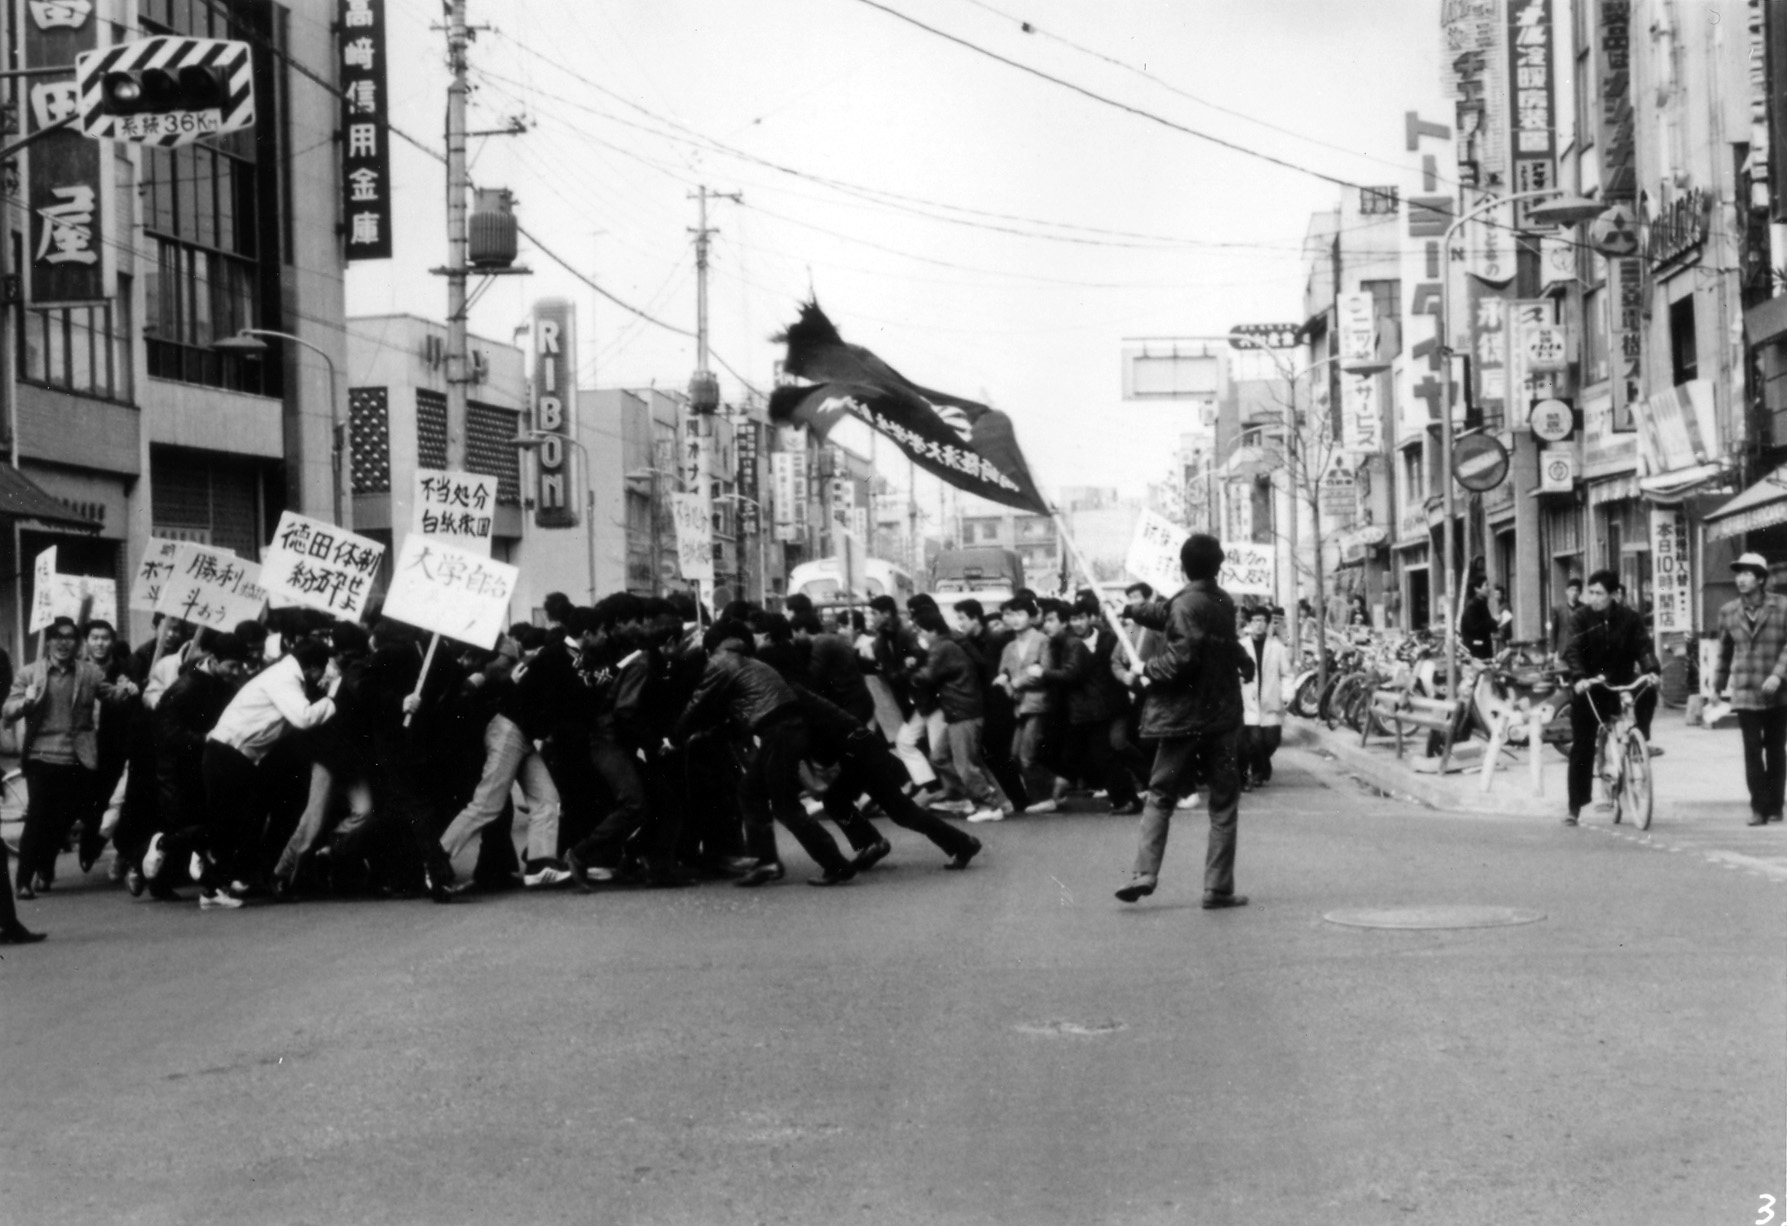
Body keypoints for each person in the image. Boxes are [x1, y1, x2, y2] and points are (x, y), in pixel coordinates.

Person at [1114, 534, 1252, 908]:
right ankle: (1217, 888)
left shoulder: (1183, 604)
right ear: (1219, 566)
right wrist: (1132, 611)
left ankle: (1145, 873)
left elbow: (1180, 657)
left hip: (1181, 718)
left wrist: (1146, 668)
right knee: (1223, 804)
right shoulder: (1222, 603)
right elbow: (1173, 617)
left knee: (1160, 796)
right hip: (1221, 716)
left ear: (1182, 566)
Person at [674, 621, 856, 887]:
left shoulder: (720, 662)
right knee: (751, 791)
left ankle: (835, 864)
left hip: (779, 732)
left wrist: (674, 736)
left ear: (711, 647)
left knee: (785, 805)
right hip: (788, 730)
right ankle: (765, 861)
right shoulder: (749, 661)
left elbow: (697, 703)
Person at [7, 617, 135, 899]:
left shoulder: (89, 673)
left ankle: (45, 869)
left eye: (69, 637)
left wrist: (126, 690)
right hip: (40, 756)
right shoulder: (30, 673)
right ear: (49, 641)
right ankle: (23, 880)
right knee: (38, 817)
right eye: (58, 636)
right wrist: (25, 701)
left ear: (77, 644)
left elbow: (112, 696)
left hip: (76, 757)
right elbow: (7, 710)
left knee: (59, 820)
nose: (63, 642)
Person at [1561, 569, 1660, 826]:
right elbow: (1573, 650)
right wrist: (1579, 678)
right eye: (1591, 592)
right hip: (1590, 686)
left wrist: (1651, 670)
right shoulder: (1581, 618)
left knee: (1648, 689)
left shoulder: (1630, 619)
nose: (1593, 598)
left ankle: (1640, 740)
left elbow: (1644, 648)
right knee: (1583, 745)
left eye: (1599, 593)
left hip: (1620, 680)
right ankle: (1575, 806)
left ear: (1614, 594)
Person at [910, 606, 1011, 822]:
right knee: (941, 758)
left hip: (962, 710)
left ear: (933, 630)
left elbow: (927, 676)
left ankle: (989, 804)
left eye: (922, 631)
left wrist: (911, 671)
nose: (921, 636)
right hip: (963, 709)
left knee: (965, 765)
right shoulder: (953, 641)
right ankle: (994, 798)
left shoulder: (942, 647)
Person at [1714, 553, 1787, 826]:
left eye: (1747, 574)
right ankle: (1758, 807)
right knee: (1752, 750)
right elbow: (1724, 652)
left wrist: (1778, 674)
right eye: (1739, 574)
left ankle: (1776, 805)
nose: (1741, 579)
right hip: (1745, 691)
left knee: (1776, 750)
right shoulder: (1728, 611)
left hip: (1778, 692)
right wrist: (1716, 687)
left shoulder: (1782, 606)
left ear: (1760, 579)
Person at [994, 596, 1062, 814]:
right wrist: (1008, 683)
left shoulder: (1042, 640)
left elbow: (1044, 672)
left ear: (1032, 618)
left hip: (1039, 702)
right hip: (1019, 704)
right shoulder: (1009, 646)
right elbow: (1004, 672)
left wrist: (1016, 682)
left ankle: (1044, 797)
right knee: (1016, 754)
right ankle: (1054, 784)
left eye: (1021, 614)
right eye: (1012, 614)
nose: (1015, 619)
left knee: (1026, 755)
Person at [1240, 605, 1293, 790]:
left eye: (1263, 621)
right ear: (1249, 623)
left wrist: (1287, 694)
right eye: (1255, 620)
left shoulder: (1277, 647)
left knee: (1271, 741)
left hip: (1271, 701)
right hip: (1249, 702)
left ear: (1268, 624)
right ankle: (1257, 772)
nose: (1259, 625)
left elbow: (1286, 674)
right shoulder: (1242, 646)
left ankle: (1262, 766)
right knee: (1254, 742)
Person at [1458, 574, 1497, 661]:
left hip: (1482, 649)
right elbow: (1475, 628)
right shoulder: (1473, 606)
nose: (1489, 588)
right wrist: (1493, 622)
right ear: (1477, 589)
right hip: (1477, 651)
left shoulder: (1481, 603)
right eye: (1486, 585)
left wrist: (1494, 624)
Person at [1551, 577, 1583, 660]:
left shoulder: (1584, 609)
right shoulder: (1558, 609)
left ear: (1580, 593)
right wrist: (1552, 651)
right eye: (1572, 590)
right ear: (1567, 591)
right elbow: (1554, 630)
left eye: (1577, 590)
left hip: (1580, 651)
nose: (1574, 593)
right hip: (1563, 650)